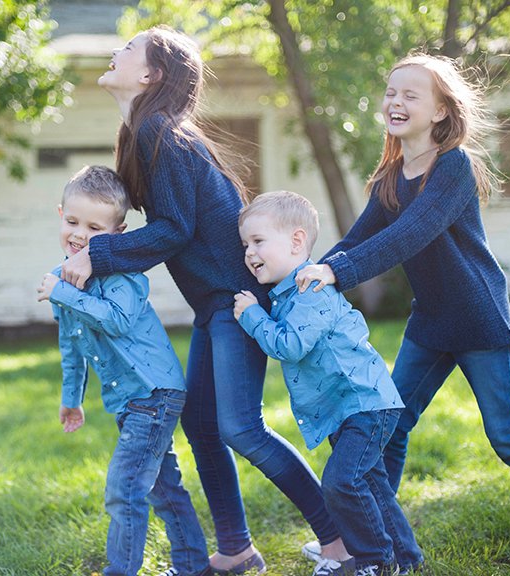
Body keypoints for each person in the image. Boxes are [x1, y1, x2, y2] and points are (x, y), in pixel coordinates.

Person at [56, 26, 347, 575]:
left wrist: (98, 254)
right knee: (202, 424)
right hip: (215, 303)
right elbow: (168, 226)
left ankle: (339, 540)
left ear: (151, 75)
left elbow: (173, 230)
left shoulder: (159, 132)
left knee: (240, 427)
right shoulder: (144, 132)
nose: (115, 51)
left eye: (127, 49)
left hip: (236, 302)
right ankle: (236, 551)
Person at [294, 53, 510, 574]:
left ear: (439, 112)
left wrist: (339, 273)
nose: (396, 102)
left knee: (507, 434)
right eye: (391, 93)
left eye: (411, 95)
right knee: (388, 427)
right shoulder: (392, 174)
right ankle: (380, 544)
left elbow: (410, 234)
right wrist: (305, 277)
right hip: (430, 321)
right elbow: (360, 238)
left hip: (478, 318)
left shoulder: (453, 166)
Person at [233, 191, 424, 576]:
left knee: (341, 482)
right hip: (347, 408)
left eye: (257, 241)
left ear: (297, 241)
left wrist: (252, 316)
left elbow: (289, 345)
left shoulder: (311, 291)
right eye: (245, 245)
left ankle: (374, 561)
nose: (249, 253)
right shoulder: (287, 294)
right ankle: (407, 560)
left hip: (364, 404)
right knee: (372, 485)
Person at [36, 165, 212, 576]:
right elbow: (72, 346)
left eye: (95, 227)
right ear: (60, 213)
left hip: (154, 395)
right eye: (73, 221)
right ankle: (194, 566)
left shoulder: (123, 274)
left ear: (118, 233)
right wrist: (71, 399)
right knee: (164, 489)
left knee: (124, 490)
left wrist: (62, 292)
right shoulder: (64, 278)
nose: (80, 234)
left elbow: (115, 319)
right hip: (131, 399)